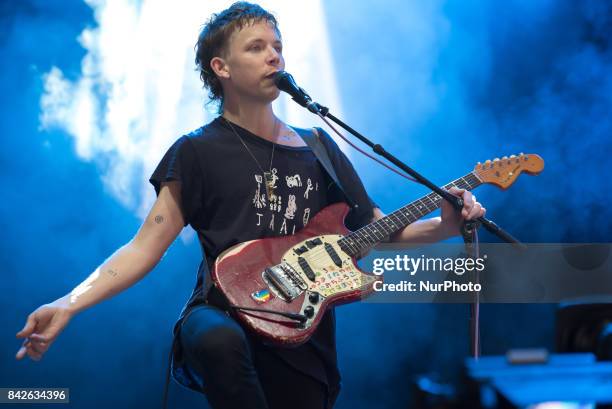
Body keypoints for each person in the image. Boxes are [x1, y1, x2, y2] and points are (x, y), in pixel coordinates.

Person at [16, 2, 485, 408]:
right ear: (221, 67)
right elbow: (144, 248)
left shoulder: (319, 146)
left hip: (302, 325)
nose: (274, 55)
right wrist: (69, 303)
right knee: (219, 341)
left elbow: (374, 228)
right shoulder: (196, 151)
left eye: (277, 45)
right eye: (256, 47)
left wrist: (443, 226)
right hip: (221, 313)